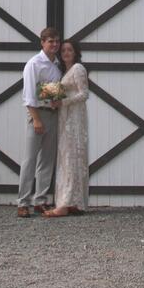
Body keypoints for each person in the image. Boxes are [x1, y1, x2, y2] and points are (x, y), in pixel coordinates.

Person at [16, 27, 62, 217]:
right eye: (50, 41)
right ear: (42, 42)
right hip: (38, 115)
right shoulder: (34, 64)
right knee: (30, 159)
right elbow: (29, 94)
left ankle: (40, 200)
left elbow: (49, 91)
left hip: (52, 114)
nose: (54, 44)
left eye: (57, 41)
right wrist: (36, 119)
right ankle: (23, 202)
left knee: (47, 160)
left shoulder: (57, 65)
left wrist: (56, 100)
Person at [43, 39, 89, 217]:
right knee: (67, 158)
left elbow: (84, 94)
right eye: (63, 51)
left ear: (75, 52)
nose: (66, 53)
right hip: (65, 116)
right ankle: (74, 202)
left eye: (69, 50)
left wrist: (64, 102)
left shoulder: (78, 68)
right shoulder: (65, 71)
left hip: (75, 118)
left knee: (71, 157)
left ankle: (65, 203)